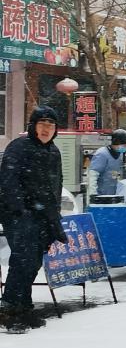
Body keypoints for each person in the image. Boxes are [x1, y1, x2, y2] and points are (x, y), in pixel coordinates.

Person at [0, 107, 68, 333]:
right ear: (32, 127)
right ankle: (8, 310)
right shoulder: (19, 147)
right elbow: (8, 182)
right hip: (19, 216)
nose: (46, 130)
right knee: (22, 261)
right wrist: (21, 211)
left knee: (34, 263)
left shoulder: (53, 152)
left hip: (44, 217)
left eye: (51, 126)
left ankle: (24, 308)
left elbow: (56, 184)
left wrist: (54, 214)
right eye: (42, 125)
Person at [88, 128, 126, 197]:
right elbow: (93, 175)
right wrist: (93, 194)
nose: (125, 148)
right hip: (101, 196)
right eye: (124, 145)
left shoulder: (120, 155)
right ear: (117, 143)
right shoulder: (102, 154)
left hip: (114, 195)